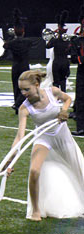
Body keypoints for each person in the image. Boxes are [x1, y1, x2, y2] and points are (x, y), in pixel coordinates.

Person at [6, 70, 84, 221]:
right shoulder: (24, 108)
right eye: (21, 89)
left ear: (36, 85)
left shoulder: (52, 92)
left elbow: (67, 99)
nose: (23, 93)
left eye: (26, 89)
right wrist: (10, 161)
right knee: (34, 171)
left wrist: (64, 111)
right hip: (43, 138)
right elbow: (20, 137)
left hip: (63, 136)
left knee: (79, 170)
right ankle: (36, 210)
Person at [3, 9, 40, 114]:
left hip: (15, 66)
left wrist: (12, 37)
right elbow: (32, 43)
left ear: (14, 31)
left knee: (16, 86)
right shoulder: (27, 42)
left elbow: (5, 45)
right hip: (24, 67)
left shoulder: (11, 43)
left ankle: (17, 106)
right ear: (23, 32)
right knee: (26, 87)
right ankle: (19, 104)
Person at [45, 10, 70, 92]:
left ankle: (56, 97)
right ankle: (64, 96)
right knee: (63, 81)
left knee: (56, 82)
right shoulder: (67, 40)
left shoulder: (55, 40)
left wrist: (53, 36)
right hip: (65, 62)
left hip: (57, 63)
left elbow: (47, 46)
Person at [69, 5, 84, 136]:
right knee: (80, 99)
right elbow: (74, 58)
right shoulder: (77, 41)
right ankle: (81, 127)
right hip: (82, 72)